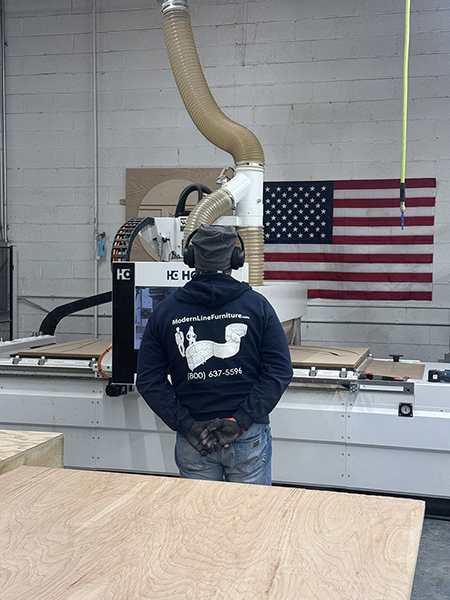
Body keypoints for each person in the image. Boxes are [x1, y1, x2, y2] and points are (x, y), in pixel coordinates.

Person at [136, 224, 293, 485]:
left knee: (199, 520)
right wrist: (240, 421)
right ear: (236, 259)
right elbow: (279, 371)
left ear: (191, 259)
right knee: (249, 517)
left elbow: (149, 381)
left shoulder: (165, 312)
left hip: (196, 440)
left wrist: (187, 426)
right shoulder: (257, 306)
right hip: (246, 437)